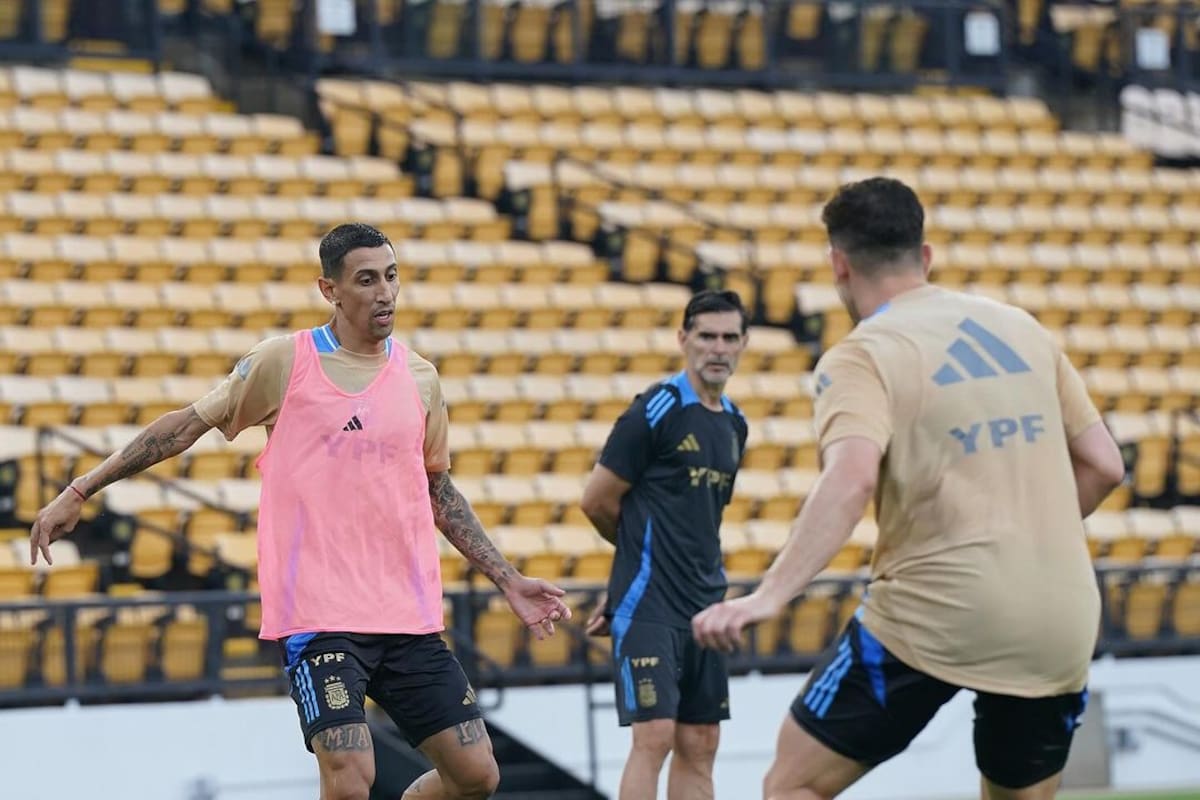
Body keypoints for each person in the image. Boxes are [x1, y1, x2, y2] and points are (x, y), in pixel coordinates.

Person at [30, 222, 572, 800]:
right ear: (329, 289)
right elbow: (185, 426)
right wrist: (82, 489)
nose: (384, 292)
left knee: (476, 775)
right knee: (349, 777)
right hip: (320, 616)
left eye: (391, 276)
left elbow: (438, 489)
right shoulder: (284, 362)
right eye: (366, 280)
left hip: (404, 613)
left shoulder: (420, 378)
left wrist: (508, 579)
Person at [693, 177, 1125, 800]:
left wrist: (769, 596)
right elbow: (1105, 465)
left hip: (934, 610)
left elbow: (850, 478)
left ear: (838, 265)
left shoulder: (862, 355)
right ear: (925, 256)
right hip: (1059, 615)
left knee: (794, 786)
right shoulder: (1020, 327)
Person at [580, 289, 751, 800]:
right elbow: (597, 500)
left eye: (729, 337)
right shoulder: (655, 410)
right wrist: (630, 572)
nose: (718, 348)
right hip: (650, 603)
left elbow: (702, 521)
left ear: (744, 343)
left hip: (705, 605)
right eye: (706, 336)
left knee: (701, 741)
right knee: (653, 737)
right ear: (684, 340)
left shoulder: (735, 423)